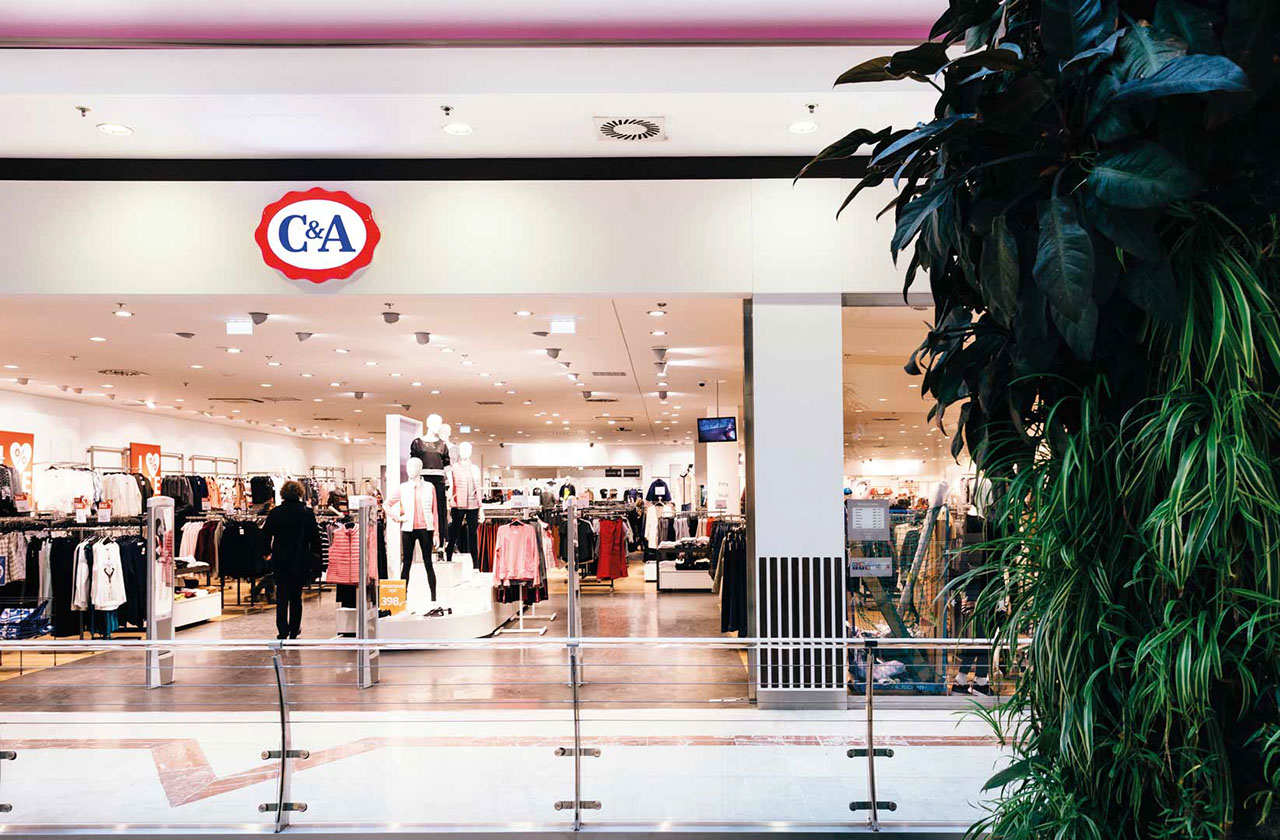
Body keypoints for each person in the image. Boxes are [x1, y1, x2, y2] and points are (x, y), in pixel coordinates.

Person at [262, 480, 321, 640]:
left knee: (282, 596)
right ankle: (294, 630)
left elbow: (265, 534)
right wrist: (316, 557)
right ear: (300, 493)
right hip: (300, 559)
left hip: (280, 559)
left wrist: (266, 553)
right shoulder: (307, 513)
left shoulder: (276, 512)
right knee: (296, 596)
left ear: (283, 494)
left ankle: (282, 630)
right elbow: (315, 538)